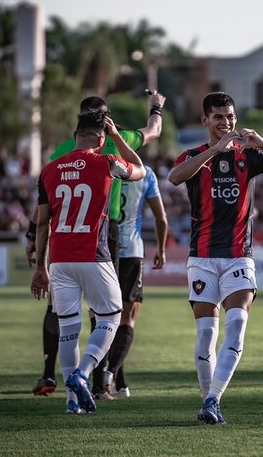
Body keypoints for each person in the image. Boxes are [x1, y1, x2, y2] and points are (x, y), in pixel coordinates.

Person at [168, 91, 263, 425]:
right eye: (218, 117)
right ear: (205, 120)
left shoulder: (249, 156)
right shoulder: (195, 155)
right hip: (202, 257)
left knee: (237, 327)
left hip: (239, 256)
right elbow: (175, 177)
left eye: (230, 117)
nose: (226, 123)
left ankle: (213, 400)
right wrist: (215, 150)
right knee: (206, 336)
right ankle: (206, 402)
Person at [26, 92, 165, 397]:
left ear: (76, 129)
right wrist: (155, 106)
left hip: (60, 253)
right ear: (106, 126)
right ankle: (92, 375)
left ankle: (62, 389)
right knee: (111, 315)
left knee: (66, 322)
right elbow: (149, 144)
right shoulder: (111, 154)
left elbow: (42, 212)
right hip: (100, 242)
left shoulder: (55, 160)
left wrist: (38, 260)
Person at [101, 165, 168, 398]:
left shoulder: (101, 167)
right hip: (132, 249)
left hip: (102, 250)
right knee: (127, 318)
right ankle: (110, 373)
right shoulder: (146, 172)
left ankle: (116, 384)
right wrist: (160, 248)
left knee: (102, 317)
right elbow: (161, 218)